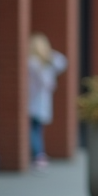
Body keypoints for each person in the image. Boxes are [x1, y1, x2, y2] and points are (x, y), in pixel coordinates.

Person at [28, 33, 67, 169]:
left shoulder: (36, 63)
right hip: (35, 102)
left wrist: (46, 54)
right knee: (36, 130)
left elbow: (62, 61)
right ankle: (38, 155)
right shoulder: (39, 64)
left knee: (35, 129)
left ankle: (38, 155)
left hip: (35, 102)